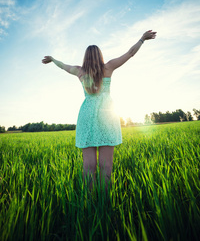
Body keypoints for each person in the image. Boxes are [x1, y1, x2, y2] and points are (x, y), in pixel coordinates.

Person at [42, 30, 157, 194]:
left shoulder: (79, 71)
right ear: (100, 55)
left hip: (87, 116)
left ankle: (89, 203)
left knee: (88, 166)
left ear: (85, 57)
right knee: (106, 165)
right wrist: (141, 40)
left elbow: (63, 66)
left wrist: (53, 59)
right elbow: (130, 53)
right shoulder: (108, 67)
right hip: (106, 116)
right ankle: (104, 201)